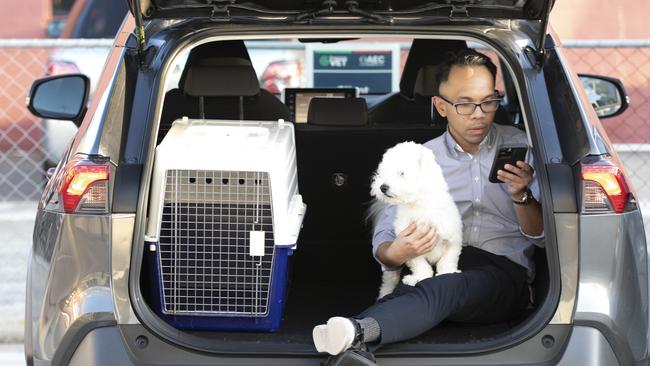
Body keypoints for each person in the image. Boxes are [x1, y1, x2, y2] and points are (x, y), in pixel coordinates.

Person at [312, 49, 545, 357]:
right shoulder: (420, 157)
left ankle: (356, 331)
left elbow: (542, 236)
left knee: (444, 286)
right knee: (414, 286)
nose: (479, 114)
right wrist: (396, 252)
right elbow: (385, 233)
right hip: (437, 263)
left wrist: (521, 194)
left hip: (503, 272)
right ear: (441, 106)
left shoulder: (522, 147)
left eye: (489, 101)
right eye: (464, 104)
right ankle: (351, 343)